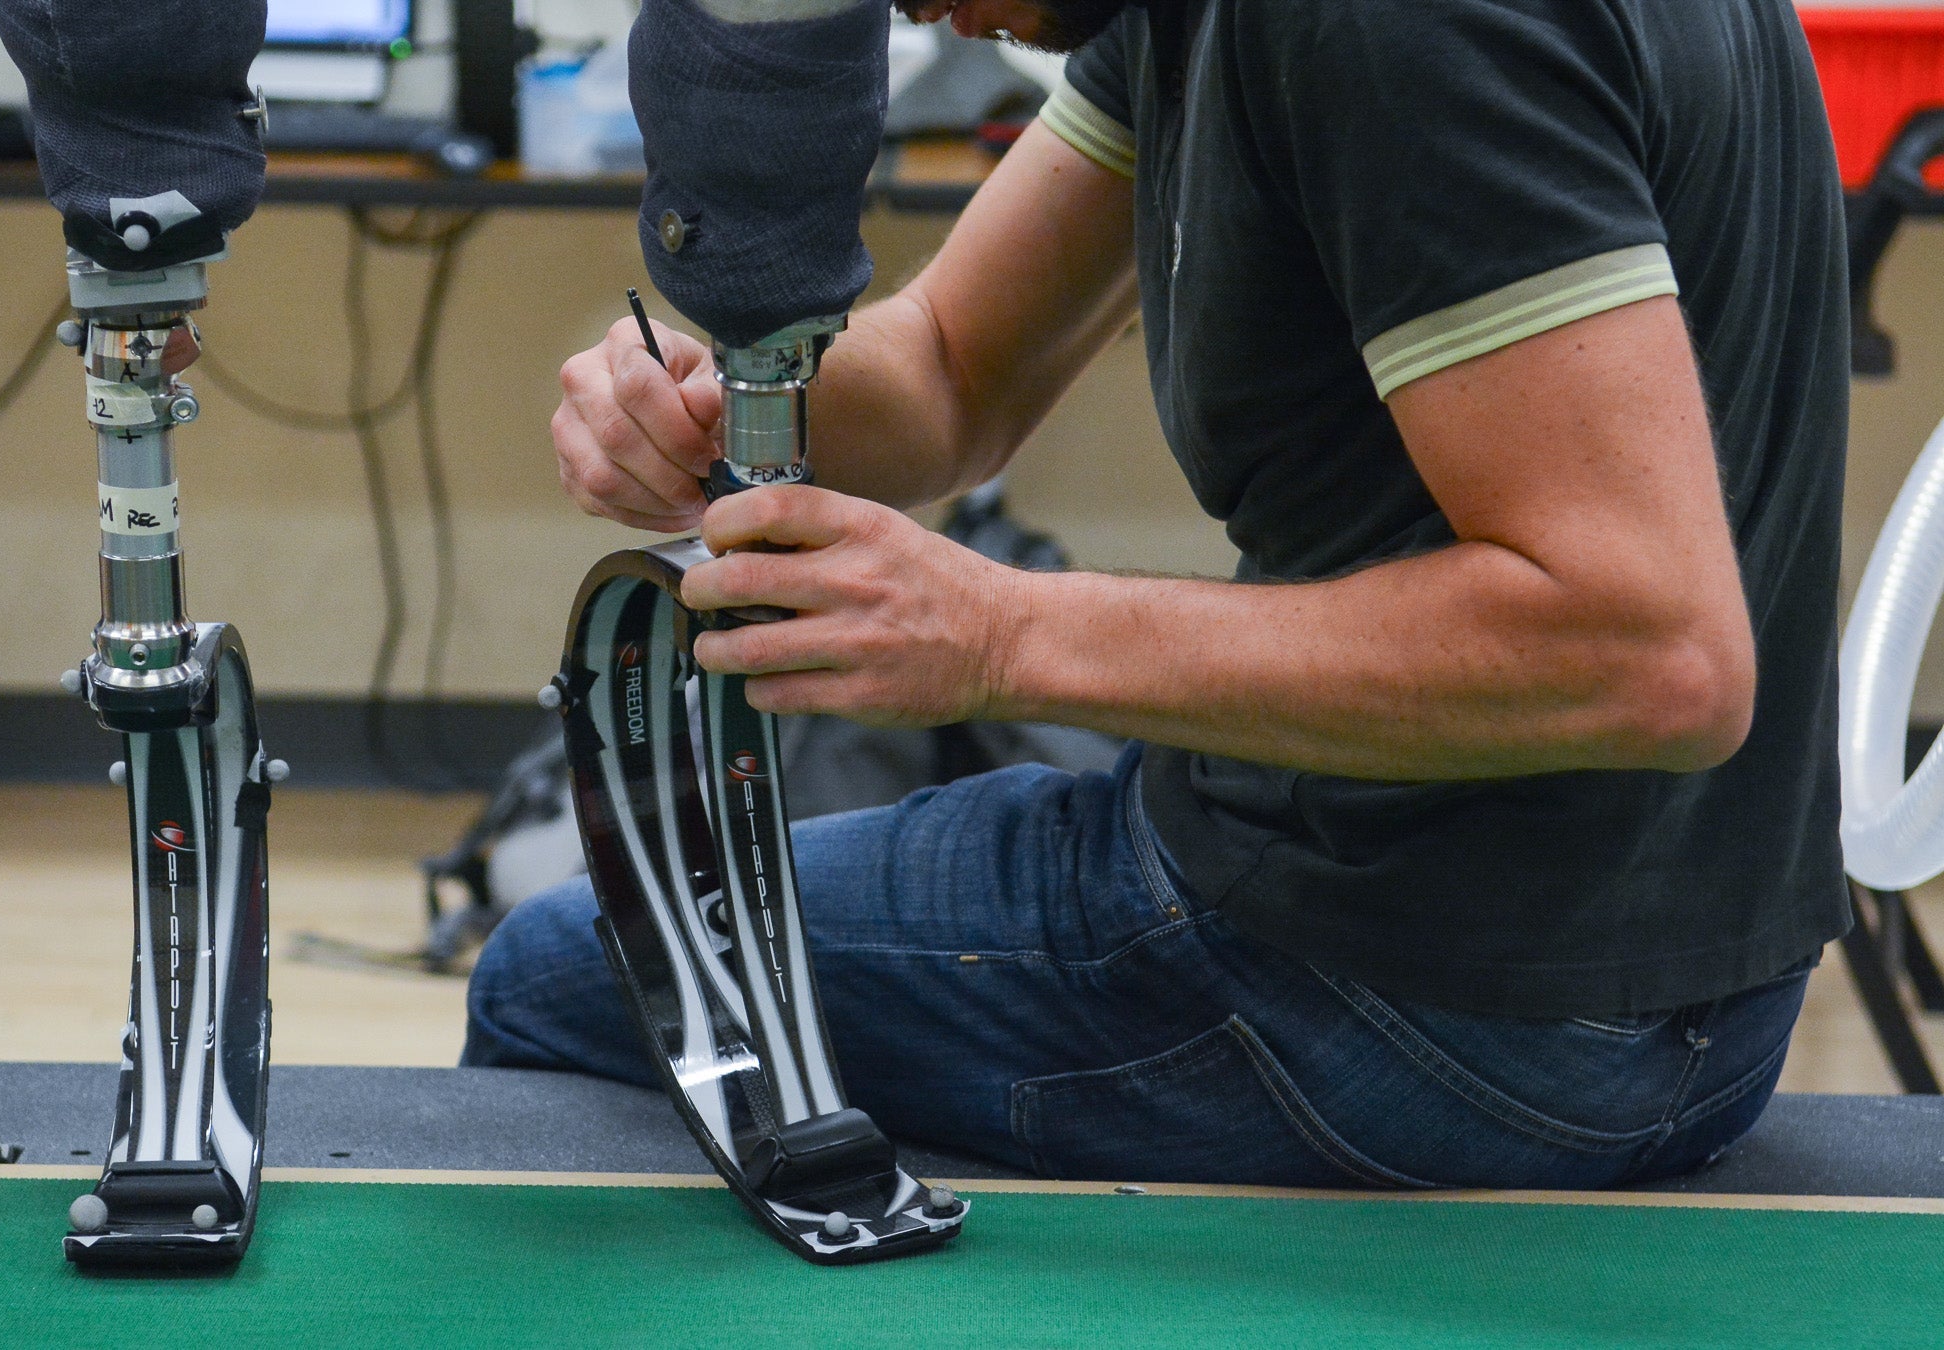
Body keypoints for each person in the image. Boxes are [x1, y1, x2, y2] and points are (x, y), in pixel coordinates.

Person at [466, 0, 1852, 1188]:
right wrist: (720, 407)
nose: (907, 11)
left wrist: (1000, 633)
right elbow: (952, 365)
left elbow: (1652, 654)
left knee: (558, 982)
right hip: (1676, 986)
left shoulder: (1393, 24)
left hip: (1424, 995)